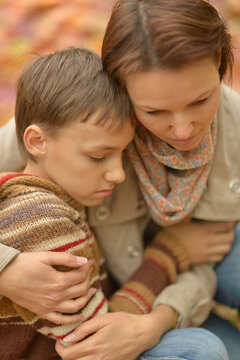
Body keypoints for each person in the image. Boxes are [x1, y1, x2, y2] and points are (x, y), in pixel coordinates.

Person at [0, 0, 238, 359]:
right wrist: (6, 271)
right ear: (120, 85)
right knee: (208, 349)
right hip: (119, 297)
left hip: (166, 287)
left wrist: (155, 323)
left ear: (220, 63)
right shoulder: (75, 117)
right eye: (154, 111)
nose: (184, 129)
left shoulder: (234, 126)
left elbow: (202, 252)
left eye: (202, 99)